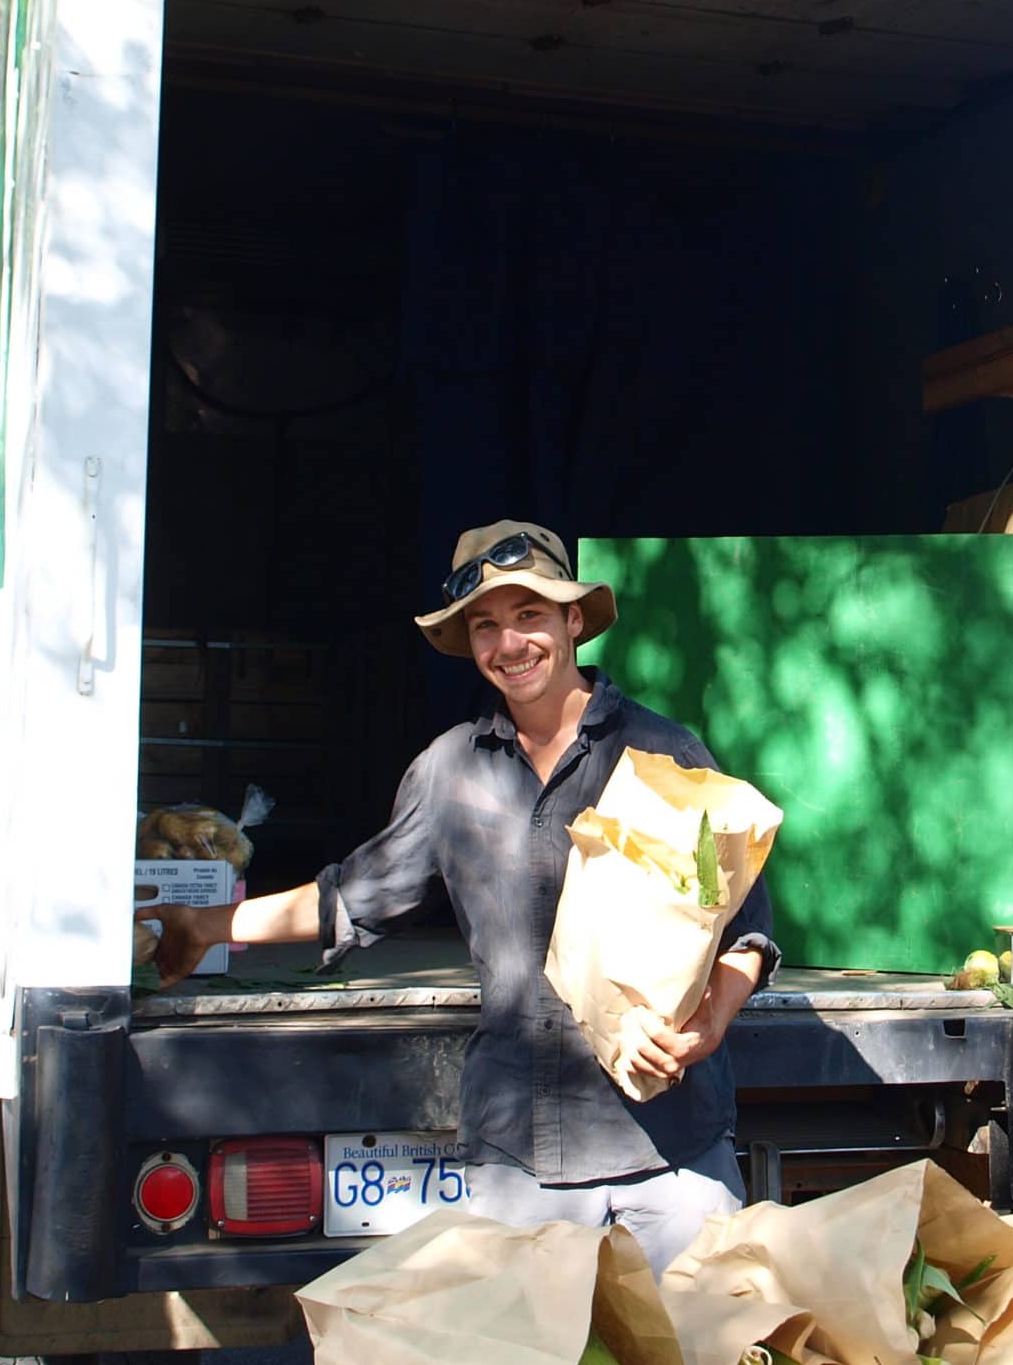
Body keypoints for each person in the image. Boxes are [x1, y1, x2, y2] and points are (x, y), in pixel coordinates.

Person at [146, 521, 778, 1271]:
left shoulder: (662, 754)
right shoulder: (450, 773)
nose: (509, 644)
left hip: (675, 1149)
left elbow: (746, 930)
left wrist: (709, 1024)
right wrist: (207, 925)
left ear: (573, 620)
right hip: (523, 1152)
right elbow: (351, 898)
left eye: (529, 616)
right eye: (486, 626)